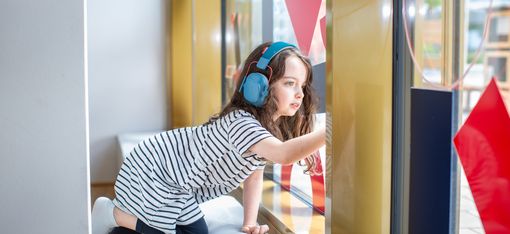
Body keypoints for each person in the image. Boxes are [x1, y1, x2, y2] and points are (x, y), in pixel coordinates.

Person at [91, 41, 326, 234]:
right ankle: (114, 215)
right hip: (155, 169)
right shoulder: (242, 123)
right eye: (289, 83)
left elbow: (253, 178)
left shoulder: (261, 128)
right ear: (259, 86)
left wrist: (249, 223)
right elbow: (285, 154)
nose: (299, 93)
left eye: (302, 85)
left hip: (176, 180)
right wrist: (330, 131)